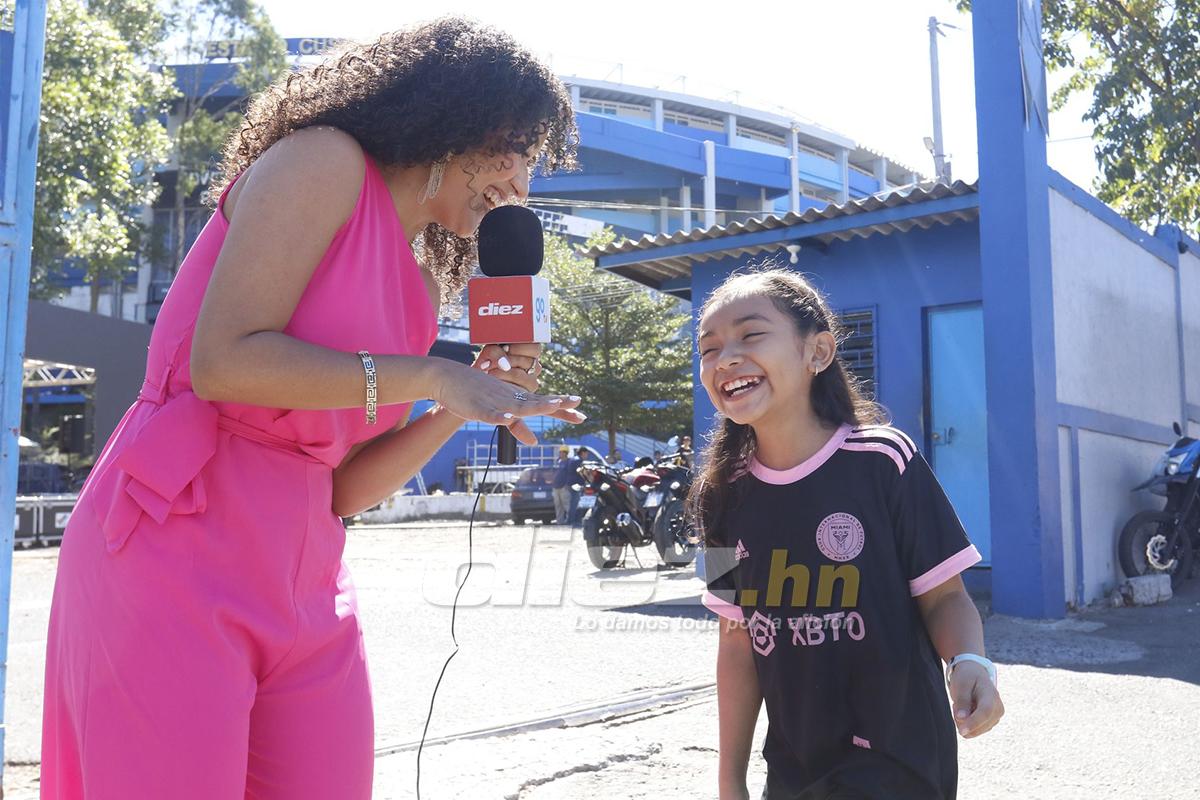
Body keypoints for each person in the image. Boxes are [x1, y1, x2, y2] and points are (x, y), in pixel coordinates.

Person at [40, 19, 584, 800]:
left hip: (306, 574)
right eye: (519, 150)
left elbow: (345, 489)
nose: (522, 185)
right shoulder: (323, 161)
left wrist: (464, 404)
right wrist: (432, 375)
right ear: (463, 115)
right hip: (174, 538)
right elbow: (223, 361)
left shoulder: (424, 291)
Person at [690, 267, 1003, 800]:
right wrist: (730, 781)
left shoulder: (883, 460)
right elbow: (737, 641)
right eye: (709, 348)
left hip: (897, 760)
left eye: (751, 334)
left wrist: (970, 662)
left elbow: (944, 597)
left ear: (818, 352)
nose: (726, 358)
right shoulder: (721, 496)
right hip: (793, 768)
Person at [551, 445, 573, 524]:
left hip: (564, 487)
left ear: (565, 453)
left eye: (561, 452)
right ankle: (560, 522)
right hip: (556, 487)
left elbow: (570, 474)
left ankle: (570, 521)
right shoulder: (558, 462)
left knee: (566, 505)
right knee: (558, 506)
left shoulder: (569, 462)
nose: (560, 453)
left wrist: (567, 484)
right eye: (560, 452)